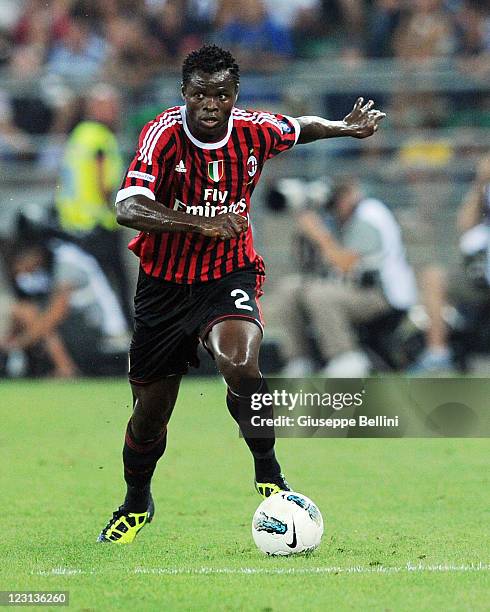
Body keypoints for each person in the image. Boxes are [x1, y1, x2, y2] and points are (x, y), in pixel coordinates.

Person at [97, 44, 385, 543]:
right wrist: (198, 223)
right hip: (163, 288)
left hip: (228, 276)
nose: (211, 105)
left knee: (241, 365)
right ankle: (136, 503)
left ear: (235, 96)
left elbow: (302, 127)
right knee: (149, 415)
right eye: (201, 94)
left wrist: (345, 127)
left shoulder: (255, 129)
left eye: (222, 95)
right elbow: (128, 206)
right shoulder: (162, 135)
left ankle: (269, 472)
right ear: (184, 92)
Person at [278, 179, 417, 377]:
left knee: (320, 295)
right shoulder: (337, 218)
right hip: (351, 288)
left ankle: (346, 358)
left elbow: (346, 264)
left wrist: (318, 233)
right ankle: (300, 361)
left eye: (338, 198)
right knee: (289, 289)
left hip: (381, 294)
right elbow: (309, 266)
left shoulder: (369, 215)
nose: (335, 205)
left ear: (353, 193)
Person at [55, 82, 132, 324]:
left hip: (73, 221)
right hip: (98, 222)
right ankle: (124, 331)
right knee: (116, 283)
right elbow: (103, 183)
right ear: (96, 107)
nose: (115, 112)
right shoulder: (101, 137)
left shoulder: (79, 134)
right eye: (110, 106)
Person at [0, 237, 129, 378]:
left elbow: (55, 315)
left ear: (34, 254)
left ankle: (66, 369)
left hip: (103, 331)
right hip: (81, 326)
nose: (19, 271)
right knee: (27, 312)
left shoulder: (67, 261)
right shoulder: (48, 264)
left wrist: (18, 343)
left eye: (19, 263)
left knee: (30, 313)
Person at [411, 153, 490, 372]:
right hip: (480, 273)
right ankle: (438, 354)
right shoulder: (484, 190)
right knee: (434, 275)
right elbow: (464, 225)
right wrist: (480, 182)